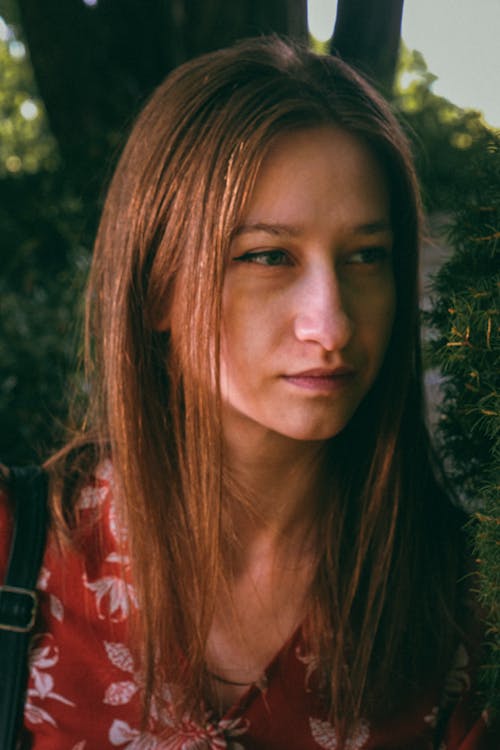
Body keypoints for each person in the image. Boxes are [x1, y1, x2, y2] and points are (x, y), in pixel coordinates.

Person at [0, 35, 496, 749]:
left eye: (366, 256)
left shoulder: (464, 603)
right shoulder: (19, 552)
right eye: (268, 256)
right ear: (156, 288)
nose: (332, 324)